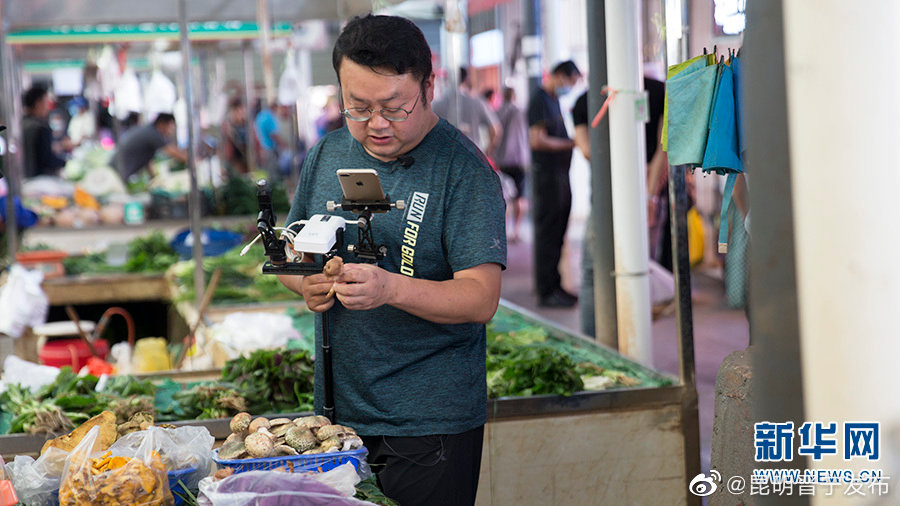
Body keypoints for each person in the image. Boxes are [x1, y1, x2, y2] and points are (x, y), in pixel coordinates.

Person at [277, 14, 506, 506]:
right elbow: (295, 253)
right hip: (336, 417)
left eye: (394, 108)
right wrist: (307, 284)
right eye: (357, 107)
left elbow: (481, 297)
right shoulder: (327, 153)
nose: (375, 124)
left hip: (428, 426)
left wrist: (389, 288)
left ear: (428, 85)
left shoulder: (463, 172)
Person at [527, 60, 581, 307]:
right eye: (569, 82)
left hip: (559, 176)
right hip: (547, 177)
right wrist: (572, 144)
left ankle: (556, 285)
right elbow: (537, 141)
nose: (568, 87)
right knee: (548, 234)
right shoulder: (539, 99)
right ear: (558, 75)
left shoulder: (553, 100)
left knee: (558, 233)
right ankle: (547, 290)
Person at [432, 67, 501, 157]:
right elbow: (495, 130)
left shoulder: (437, 105)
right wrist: (488, 151)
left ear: (447, 81)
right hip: (472, 158)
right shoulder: (477, 102)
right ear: (465, 80)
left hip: (447, 158)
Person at [495, 87, 530, 242]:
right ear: (515, 96)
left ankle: (506, 230)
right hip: (520, 160)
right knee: (520, 197)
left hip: (502, 159)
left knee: (505, 196)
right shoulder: (522, 112)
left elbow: (494, 131)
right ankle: (516, 231)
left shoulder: (498, 112)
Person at [112, 112, 186, 181]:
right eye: (170, 127)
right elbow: (172, 152)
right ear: (162, 123)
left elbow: (148, 161)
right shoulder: (153, 134)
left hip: (117, 171)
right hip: (116, 173)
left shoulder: (148, 130)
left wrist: (154, 179)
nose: (170, 132)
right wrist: (190, 160)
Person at [21, 85, 66, 178]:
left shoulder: (21, 125)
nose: (48, 108)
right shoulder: (40, 128)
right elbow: (47, 160)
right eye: (46, 103)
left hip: (24, 179)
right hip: (39, 182)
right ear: (38, 103)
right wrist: (67, 163)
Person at [222, 97, 249, 175]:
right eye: (236, 110)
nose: (240, 113)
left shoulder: (247, 125)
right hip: (234, 160)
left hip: (246, 159)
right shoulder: (228, 125)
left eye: (241, 110)